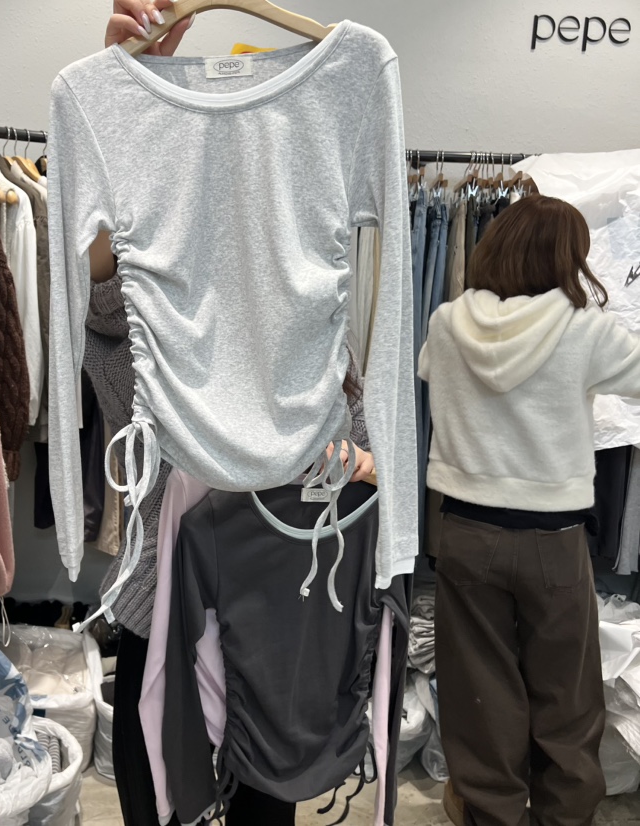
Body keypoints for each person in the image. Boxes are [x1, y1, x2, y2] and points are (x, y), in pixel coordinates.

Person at [87, 6, 376, 825]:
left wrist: (356, 469)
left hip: (277, 622)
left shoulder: (314, 334)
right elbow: (103, 297)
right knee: (158, 802)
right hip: (158, 607)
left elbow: (359, 462)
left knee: (262, 807)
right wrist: (119, 99)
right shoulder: (158, 316)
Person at [419, 194, 640, 826]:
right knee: (566, 697)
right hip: (552, 537)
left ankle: (490, 814)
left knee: (480, 694)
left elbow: (430, 373)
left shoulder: (448, 323)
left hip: (465, 531)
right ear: (567, 257)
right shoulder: (584, 329)